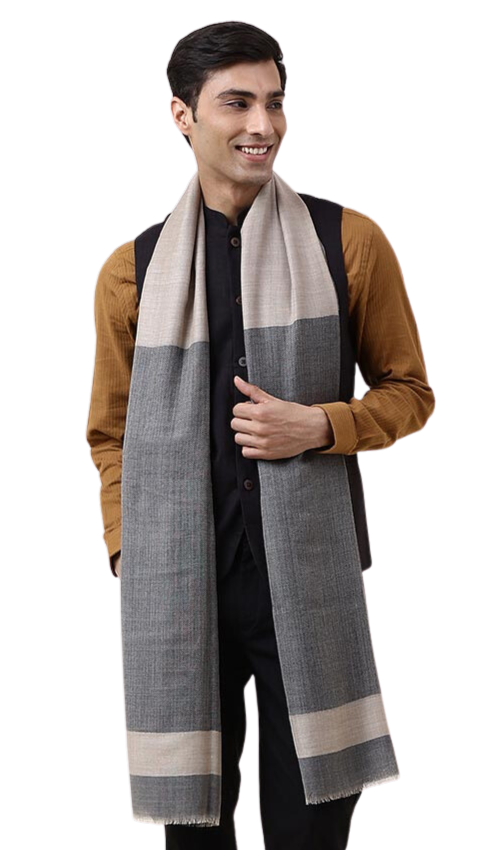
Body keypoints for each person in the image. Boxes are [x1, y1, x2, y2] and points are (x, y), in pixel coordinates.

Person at [85, 20, 435, 849]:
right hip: (178, 584)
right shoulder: (130, 271)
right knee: (192, 834)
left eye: (275, 104)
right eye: (237, 103)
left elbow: (412, 394)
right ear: (183, 115)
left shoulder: (349, 240)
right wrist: (127, 544)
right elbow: (110, 432)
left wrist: (321, 424)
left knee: (314, 829)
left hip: (310, 581)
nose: (263, 125)